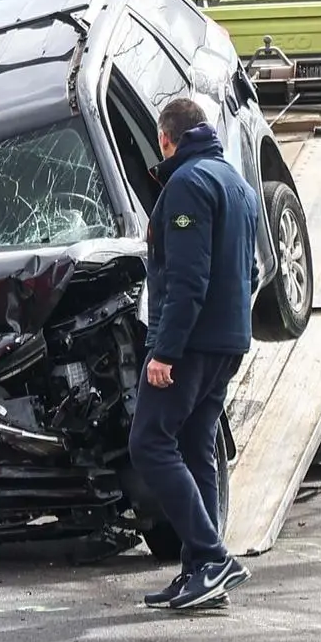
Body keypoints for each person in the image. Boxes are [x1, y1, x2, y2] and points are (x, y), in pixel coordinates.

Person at [135, 96, 259, 612]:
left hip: (190, 344)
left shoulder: (187, 183)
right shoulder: (237, 183)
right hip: (227, 342)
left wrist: (165, 350)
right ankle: (198, 573)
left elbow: (187, 280)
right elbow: (252, 271)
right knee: (195, 447)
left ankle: (211, 557)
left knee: (148, 444)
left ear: (168, 138)